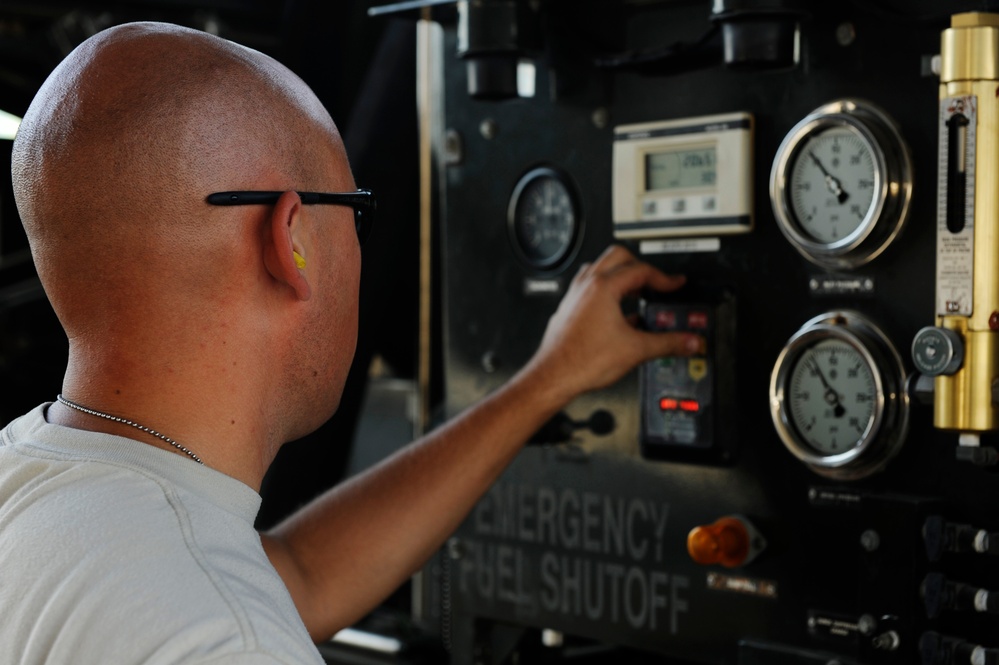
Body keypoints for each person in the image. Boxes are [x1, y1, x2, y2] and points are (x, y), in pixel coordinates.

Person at [0, 21, 705, 664]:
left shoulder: (42, 485)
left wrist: (548, 379)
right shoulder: (227, 640)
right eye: (354, 211)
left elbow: (294, 574)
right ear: (293, 239)